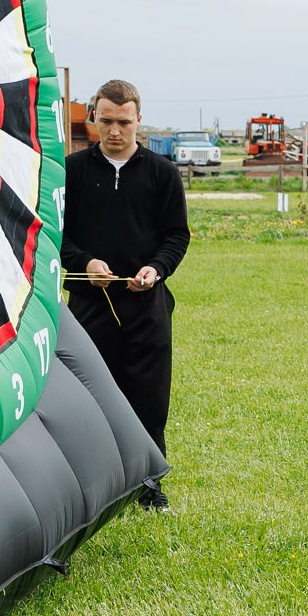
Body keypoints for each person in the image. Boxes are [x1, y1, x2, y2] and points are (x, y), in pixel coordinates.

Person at [62, 79, 190, 504]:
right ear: (93, 118)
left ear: (139, 120)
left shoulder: (163, 174)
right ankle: (95, 487)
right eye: (106, 121)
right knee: (89, 398)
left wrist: (156, 269)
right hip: (89, 305)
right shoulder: (71, 172)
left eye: (124, 122)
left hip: (146, 304)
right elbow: (53, 237)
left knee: (149, 398)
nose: (114, 131)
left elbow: (176, 237)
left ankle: (149, 485)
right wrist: (84, 263)